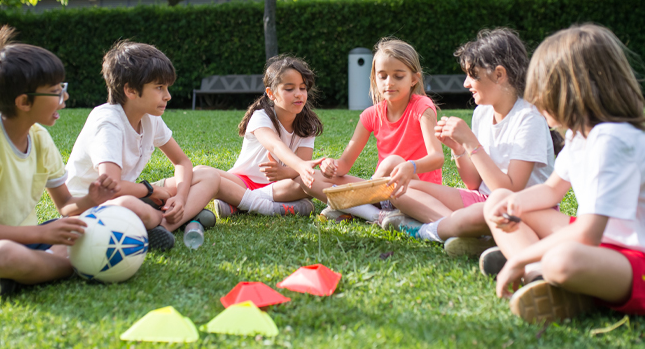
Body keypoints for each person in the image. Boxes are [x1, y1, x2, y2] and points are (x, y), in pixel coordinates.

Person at [483, 24, 645, 324]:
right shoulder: (579, 136)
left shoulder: (612, 138)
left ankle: (538, 265)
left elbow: (587, 233)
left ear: (568, 91)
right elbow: (551, 190)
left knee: (563, 260)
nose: (533, 100)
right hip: (610, 245)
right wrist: (513, 205)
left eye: (540, 90)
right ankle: (537, 276)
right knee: (498, 199)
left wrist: (519, 257)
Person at [0, 26, 121, 301]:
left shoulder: (39, 137)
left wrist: (91, 200)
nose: (65, 97)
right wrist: (41, 233)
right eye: (55, 91)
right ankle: (75, 266)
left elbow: (66, 205)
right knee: (3, 255)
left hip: (27, 238)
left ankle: (22, 275)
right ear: (23, 102)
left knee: (89, 229)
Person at [380, 29, 556, 255]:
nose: (466, 83)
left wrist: (471, 143)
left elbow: (509, 191)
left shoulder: (528, 118)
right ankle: (468, 231)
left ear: (499, 74)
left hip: (520, 208)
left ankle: (440, 229)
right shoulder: (482, 112)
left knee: (479, 211)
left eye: (473, 75)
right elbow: (474, 183)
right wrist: (458, 148)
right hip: (482, 201)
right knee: (398, 188)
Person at [66, 40, 220, 251]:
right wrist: (149, 190)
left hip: (127, 195)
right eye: (159, 88)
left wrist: (181, 199)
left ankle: (164, 224)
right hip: (90, 209)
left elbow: (182, 162)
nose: (168, 96)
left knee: (208, 175)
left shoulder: (150, 117)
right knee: (131, 205)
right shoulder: (108, 123)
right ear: (130, 90)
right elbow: (110, 188)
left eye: (166, 87)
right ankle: (170, 221)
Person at [298, 38, 444, 222]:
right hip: (381, 190)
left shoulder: (422, 107)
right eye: (382, 76)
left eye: (398, 76)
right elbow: (343, 165)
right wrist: (330, 165)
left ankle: (352, 206)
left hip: (417, 191)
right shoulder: (371, 114)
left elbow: (437, 158)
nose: (389, 83)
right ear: (374, 78)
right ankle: (378, 215)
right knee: (309, 179)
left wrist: (410, 166)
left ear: (414, 79)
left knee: (392, 162)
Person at [197, 56, 324, 218]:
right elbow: (275, 145)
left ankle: (238, 202)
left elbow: (303, 167)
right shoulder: (261, 116)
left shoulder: (308, 125)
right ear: (271, 93)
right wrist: (299, 166)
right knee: (200, 171)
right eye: (289, 89)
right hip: (242, 182)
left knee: (310, 181)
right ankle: (272, 206)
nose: (298, 94)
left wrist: (285, 173)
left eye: (302, 88)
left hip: (279, 187)